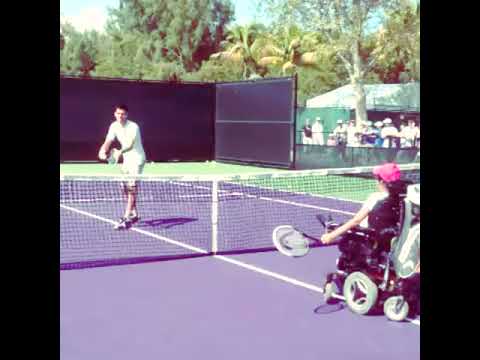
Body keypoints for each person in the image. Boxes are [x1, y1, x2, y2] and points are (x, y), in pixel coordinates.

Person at [321, 163, 404, 245]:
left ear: (381, 181)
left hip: (370, 240)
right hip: (392, 241)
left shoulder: (375, 198)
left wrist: (331, 236)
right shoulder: (403, 199)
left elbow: (356, 221)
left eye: (377, 178)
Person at [98, 104, 147, 230]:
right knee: (123, 186)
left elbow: (130, 144)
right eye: (118, 113)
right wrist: (103, 150)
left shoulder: (133, 126)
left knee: (132, 187)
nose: (120, 116)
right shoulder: (113, 126)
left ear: (127, 115)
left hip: (137, 160)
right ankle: (134, 213)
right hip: (127, 160)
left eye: (123, 114)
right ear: (115, 114)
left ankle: (126, 218)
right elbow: (108, 140)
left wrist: (119, 152)